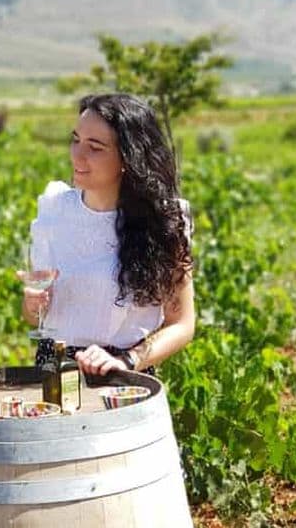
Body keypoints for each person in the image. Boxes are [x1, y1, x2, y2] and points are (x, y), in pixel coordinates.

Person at [20, 93, 195, 376]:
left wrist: (127, 360)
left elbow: (182, 324)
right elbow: (34, 317)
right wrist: (32, 304)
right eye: (76, 140)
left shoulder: (161, 223)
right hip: (54, 369)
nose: (78, 154)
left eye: (95, 147)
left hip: (123, 377)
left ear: (128, 157)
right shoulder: (54, 211)